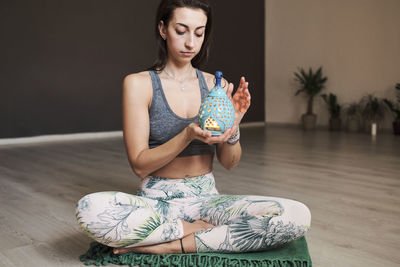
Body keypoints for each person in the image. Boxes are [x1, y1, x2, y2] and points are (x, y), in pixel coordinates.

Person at [75, 0, 311, 255]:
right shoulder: (139, 84)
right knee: (89, 209)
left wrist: (233, 126)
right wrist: (187, 133)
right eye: (181, 31)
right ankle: (195, 232)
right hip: (157, 204)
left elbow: (229, 163)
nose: (191, 43)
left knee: (297, 215)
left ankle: (169, 245)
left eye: (199, 33)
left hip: (207, 201)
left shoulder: (214, 85)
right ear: (163, 29)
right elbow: (139, 165)